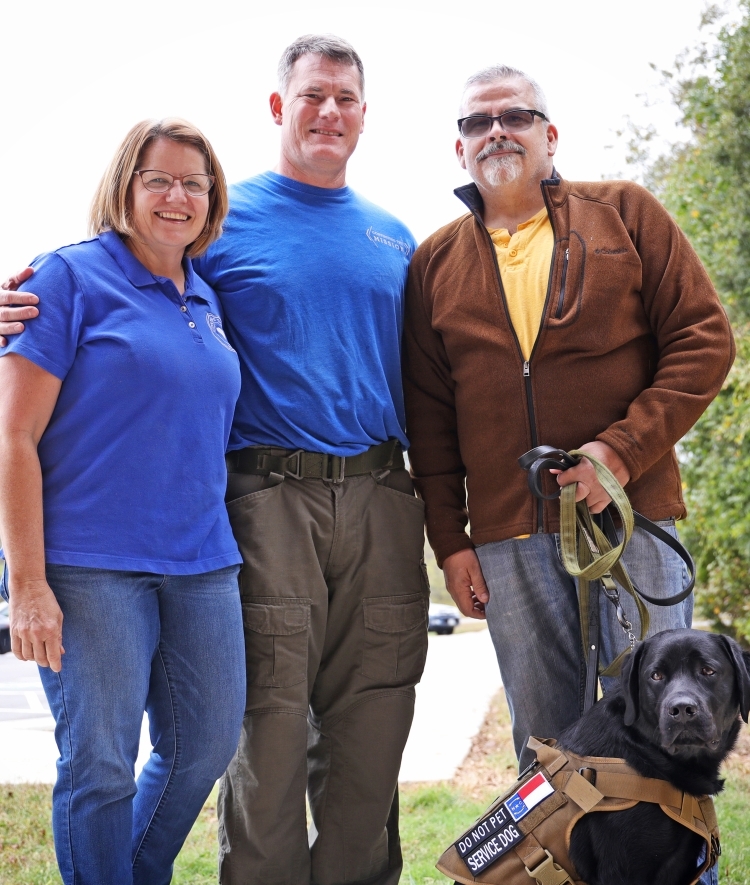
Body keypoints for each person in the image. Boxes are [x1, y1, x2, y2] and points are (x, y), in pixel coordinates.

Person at [0, 35, 428, 885]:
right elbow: (81, 323)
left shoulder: (378, 241)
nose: (329, 111)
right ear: (280, 107)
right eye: (312, 95)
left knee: (282, 734)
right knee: (193, 743)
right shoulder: (151, 254)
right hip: (218, 514)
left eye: (345, 98)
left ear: (366, 115)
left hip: (305, 519)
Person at [402, 66, 734, 768]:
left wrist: (620, 450)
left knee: (665, 721)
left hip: (631, 512)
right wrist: (450, 540)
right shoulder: (433, 262)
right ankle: (554, 875)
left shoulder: (626, 212)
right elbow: (429, 419)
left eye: (515, 116)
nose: (495, 130)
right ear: (458, 149)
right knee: (546, 739)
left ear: (549, 135)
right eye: (475, 122)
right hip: (506, 533)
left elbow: (705, 339)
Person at [0, 118, 246, 885]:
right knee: (100, 764)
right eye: (159, 180)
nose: (177, 196)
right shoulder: (66, 279)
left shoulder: (204, 295)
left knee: (205, 744)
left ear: (212, 199)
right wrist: (29, 585)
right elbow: (12, 438)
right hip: (88, 566)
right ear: (125, 187)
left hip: (203, 562)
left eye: (194, 184)